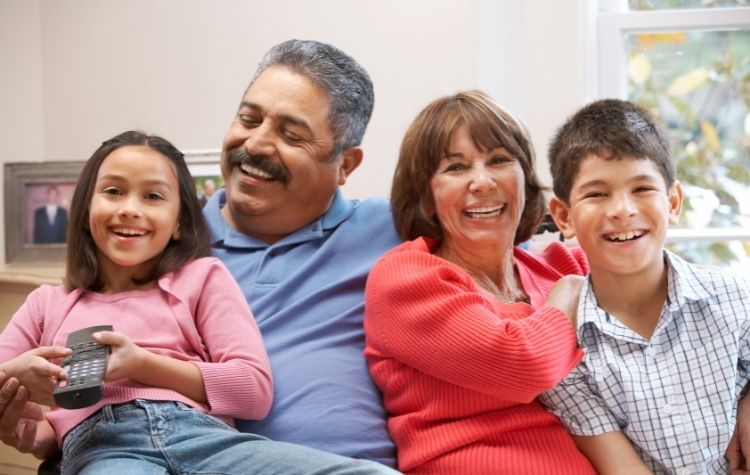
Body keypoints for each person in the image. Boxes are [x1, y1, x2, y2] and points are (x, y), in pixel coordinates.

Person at [0, 130, 396, 474]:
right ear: (86, 208)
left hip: (206, 441)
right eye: (113, 191)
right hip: (102, 446)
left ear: (178, 223)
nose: (130, 208)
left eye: (153, 196)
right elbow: (42, 435)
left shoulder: (202, 278)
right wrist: (18, 393)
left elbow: (253, 390)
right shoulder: (46, 303)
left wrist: (141, 365)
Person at [363, 90, 596, 474]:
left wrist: (737, 398)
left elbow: (688, 297)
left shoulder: (559, 264)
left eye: (500, 160)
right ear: (426, 193)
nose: (482, 182)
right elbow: (526, 364)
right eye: (456, 168)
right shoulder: (406, 278)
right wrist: (570, 291)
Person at [200, 38, 403, 465]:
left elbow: (507, 250)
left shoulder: (393, 229)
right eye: (248, 119)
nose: (255, 144)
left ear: (346, 165)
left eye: (291, 134)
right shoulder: (170, 240)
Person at [539, 98, 750, 474]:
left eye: (641, 188)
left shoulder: (735, 298)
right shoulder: (564, 348)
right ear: (563, 216)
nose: (622, 210)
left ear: (673, 202)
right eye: (597, 193)